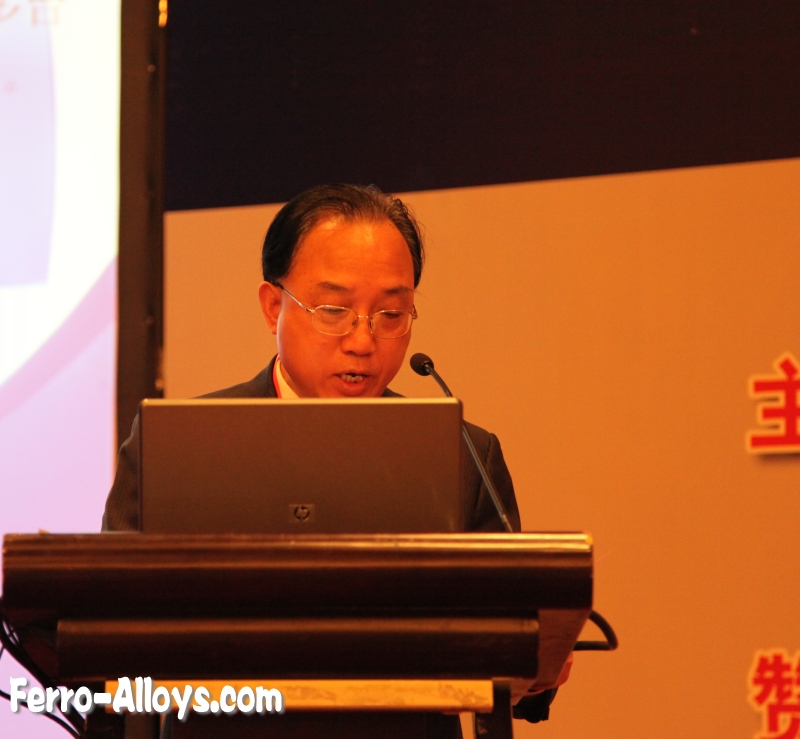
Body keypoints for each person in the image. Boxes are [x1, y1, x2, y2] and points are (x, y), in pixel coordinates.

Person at [101, 184, 565, 732]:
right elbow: (104, 638)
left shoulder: (464, 452)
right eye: (334, 310)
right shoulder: (178, 445)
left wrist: (538, 662)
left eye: (391, 314)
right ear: (273, 305)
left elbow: (514, 668)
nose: (363, 341)